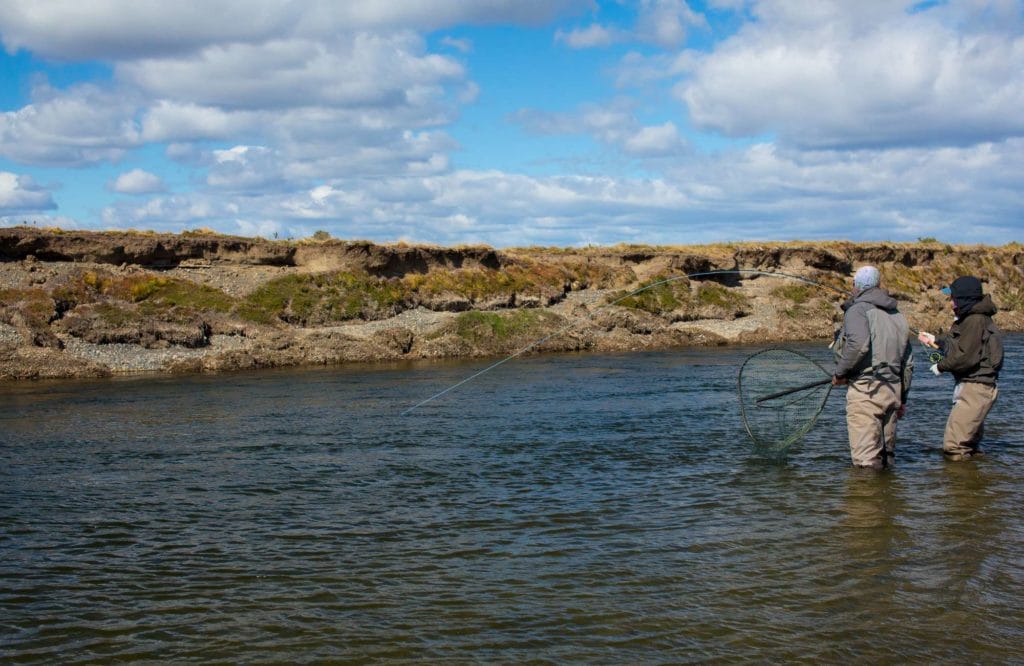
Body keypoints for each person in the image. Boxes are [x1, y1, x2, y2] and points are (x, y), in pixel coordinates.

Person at [832, 266, 914, 469]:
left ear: (856, 287)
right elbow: (908, 362)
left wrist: (840, 373)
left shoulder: (857, 310)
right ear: (878, 286)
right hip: (893, 392)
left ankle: (867, 500)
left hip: (866, 392)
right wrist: (902, 398)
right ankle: (888, 500)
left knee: (866, 465)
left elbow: (858, 345)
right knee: (887, 460)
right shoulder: (897, 315)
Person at [918, 276, 1003, 461]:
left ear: (964, 299)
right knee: (969, 446)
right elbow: (959, 346)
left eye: (953, 298)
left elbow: (965, 356)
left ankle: (959, 487)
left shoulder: (974, 321)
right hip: (974, 387)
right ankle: (975, 484)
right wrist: (935, 341)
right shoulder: (971, 319)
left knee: (954, 447)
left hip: (975, 389)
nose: (950, 302)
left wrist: (940, 367)